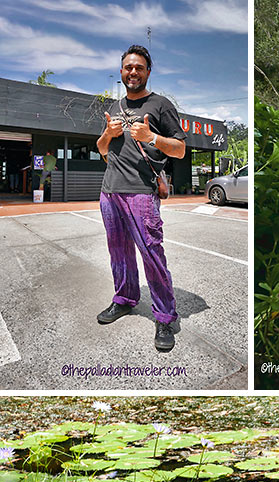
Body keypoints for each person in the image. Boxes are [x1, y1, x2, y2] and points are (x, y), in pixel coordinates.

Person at [96, 44, 187, 352]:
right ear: (121, 71)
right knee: (118, 253)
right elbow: (102, 148)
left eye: (138, 67)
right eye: (127, 67)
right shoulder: (115, 105)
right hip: (110, 192)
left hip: (141, 193)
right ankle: (124, 299)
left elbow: (179, 149)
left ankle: (164, 316)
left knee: (151, 254)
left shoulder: (161, 105)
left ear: (148, 72)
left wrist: (152, 138)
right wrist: (108, 133)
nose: (132, 72)